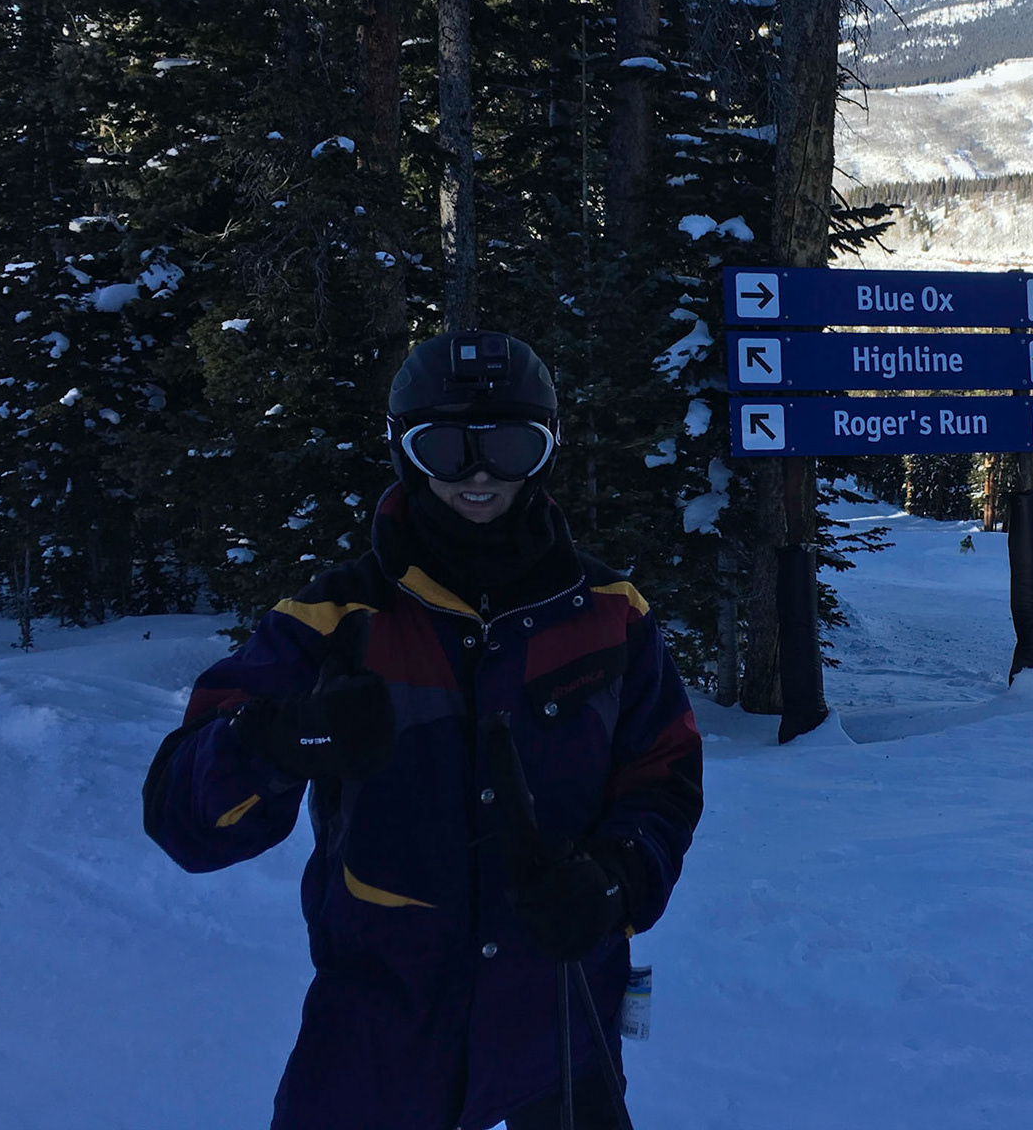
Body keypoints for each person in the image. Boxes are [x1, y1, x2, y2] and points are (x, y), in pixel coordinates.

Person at [144, 331, 703, 1129]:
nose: (478, 474)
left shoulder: (611, 616)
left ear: (545, 452)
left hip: (559, 1013)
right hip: (379, 1027)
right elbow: (183, 819)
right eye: (447, 448)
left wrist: (617, 880)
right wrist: (272, 740)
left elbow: (665, 776)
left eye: (510, 446)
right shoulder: (333, 622)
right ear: (404, 451)